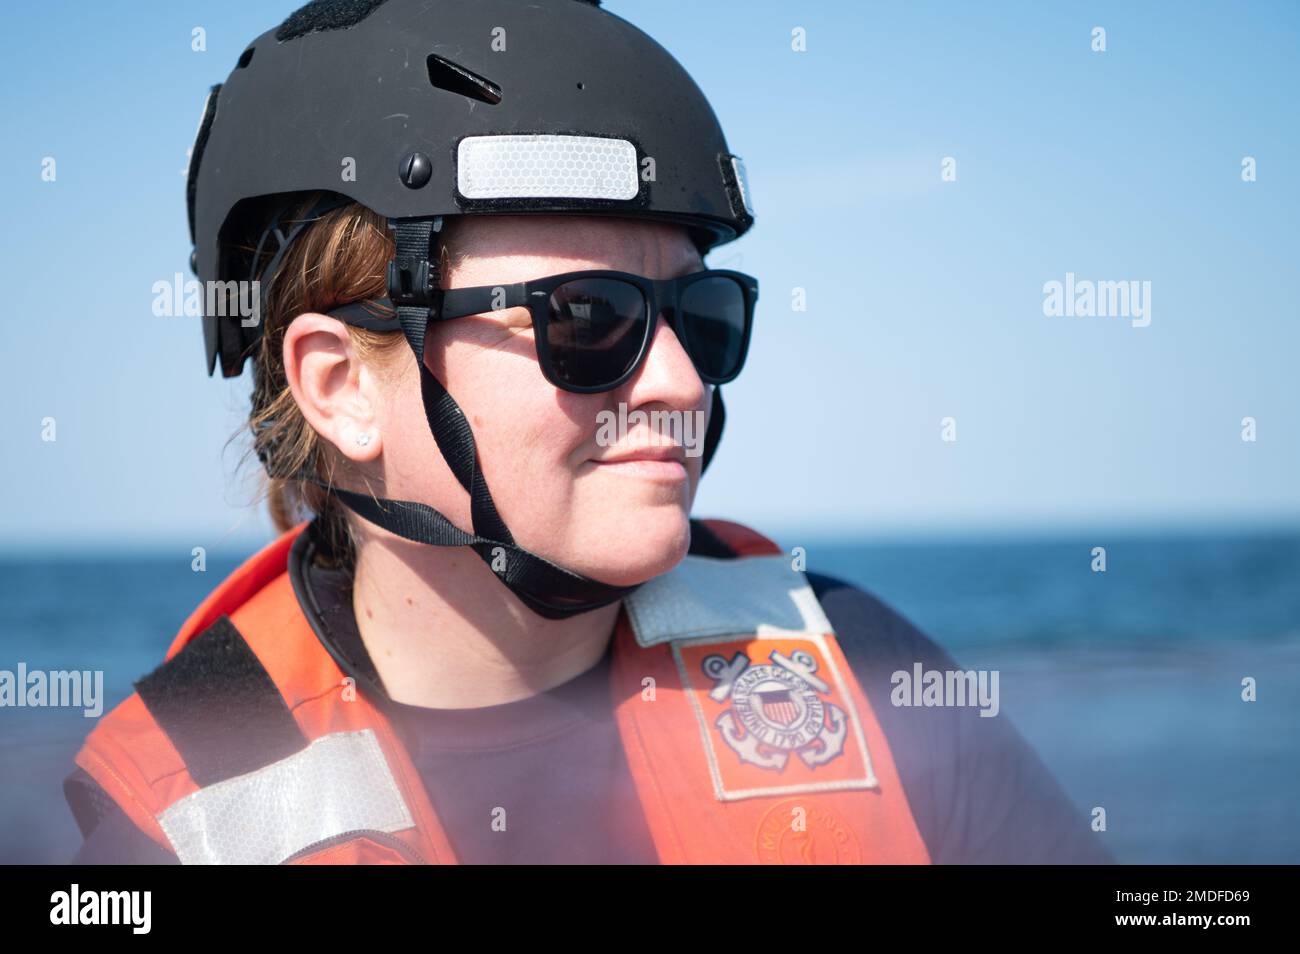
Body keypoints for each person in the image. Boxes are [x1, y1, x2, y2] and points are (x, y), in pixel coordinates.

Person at [64, 0, 1111, 865]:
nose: (681, 380)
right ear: (340, 388)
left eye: (702, 316)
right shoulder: (172, 818)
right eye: (588, 318)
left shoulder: (858, 666)